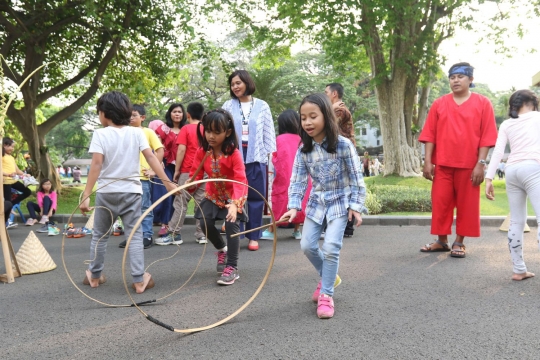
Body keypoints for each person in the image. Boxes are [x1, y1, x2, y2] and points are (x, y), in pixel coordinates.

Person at [79, 91, 178, 293]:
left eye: (99, 112)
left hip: (106, 193)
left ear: (105, 113)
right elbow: (151, 158)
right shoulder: (136, 133)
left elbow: (96, 164)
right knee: (134, 235)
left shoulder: (100, 134)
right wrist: (167, 183)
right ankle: (139, 280)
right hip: (132, 192)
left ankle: (94, 276)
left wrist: (87, 194)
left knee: (100, 235)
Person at [279, 93, 366, 319]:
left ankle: (327, 293)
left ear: (326, 116)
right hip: (317, 203)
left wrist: (356, 206)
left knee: (331, 247)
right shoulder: (303, 150)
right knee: (307, 245)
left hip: (340, 203)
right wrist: (293, 206)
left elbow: (357, 178)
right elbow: (297, 180)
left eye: (313, 117)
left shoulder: (344, 145)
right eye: (303, 117)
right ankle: (329, 276)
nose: (307, 122)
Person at [419, 62, 498, 257]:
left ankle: (459, 242)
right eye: (452, 77)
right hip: (443, 165)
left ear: (471, 80)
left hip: (470, 166)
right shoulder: (439, 103)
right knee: (440, 203)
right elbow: (430, 135)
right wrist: (428, 161)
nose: (455, 80)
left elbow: (487, 137)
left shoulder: (483, 103)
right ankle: (442, 240)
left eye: (460, 77)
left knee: (467, 205)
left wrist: (481, 164)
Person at [185, 109, 248, 285]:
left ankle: (232, 267)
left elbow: (240, 178)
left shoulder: (233, 152)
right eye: (208, 131)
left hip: (233, 196)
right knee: (204, 223)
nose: (211, 136)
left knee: (231, 223)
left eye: (216, 132)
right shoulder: (202, 152)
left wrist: (235, 204)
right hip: (213, 195)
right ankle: (222, 249)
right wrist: (185, 189)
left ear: (227, 133)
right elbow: (195, 177)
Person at [485, 89, 540, 281]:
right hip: (534, 168)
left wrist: (489, 178)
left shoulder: (507, 124)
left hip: (512, 171)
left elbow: (498, 152)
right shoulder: (537, 117)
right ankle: (520, 270)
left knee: (516, 221)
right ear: (533, 103)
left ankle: (519, 270)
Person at [222, 70, 276, 251]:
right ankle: (235, 236)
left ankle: (253, 236)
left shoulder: (263, 106)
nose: (235, 87)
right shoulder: (228, 105)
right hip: (233, 156)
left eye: (238, 83)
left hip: (256, 156)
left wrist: (269, 157)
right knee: (234, 196)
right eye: (232, 84)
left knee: (255, 197)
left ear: (247, 82)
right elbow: (222, 130)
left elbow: (268, 132)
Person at [157, 102, 207, 245]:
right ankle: (201, 234)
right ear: (203, 115)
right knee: (201, 203)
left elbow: (181, 150)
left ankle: (174, 233)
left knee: (180, 202)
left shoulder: (186, 129)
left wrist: (177, 171)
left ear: (188, 115)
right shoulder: (206, 129)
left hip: (188, 171)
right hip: (204, 172)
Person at [118, 104, 164, 249]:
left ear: (142, 118)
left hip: (142, 178)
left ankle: (147, 235)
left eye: (134, 115)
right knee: (127, 209)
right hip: (126, 177)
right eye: (129, 115)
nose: (131, 118)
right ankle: (131, 236)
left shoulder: (148, 132)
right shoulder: (122, 131)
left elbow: (160, 150)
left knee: (144, 207)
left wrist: (153, 170)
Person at [261, 110, 309, 240]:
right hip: (301, 177)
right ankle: (297, 231)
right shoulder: (302, 139)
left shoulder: (278, 139)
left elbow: (273, 158)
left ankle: (271, 230)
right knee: (300, 201)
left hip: (283, 176)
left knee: (279, 201)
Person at [152, 104, 186, 237]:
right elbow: (158, 147)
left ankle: (173, 224)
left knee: (177, 195)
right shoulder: (163, 129)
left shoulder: (186, 129)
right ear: (170, 114)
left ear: (184, 114)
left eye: (179, 112)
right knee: (165, 193)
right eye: (174, 111)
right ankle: (164, 224)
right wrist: (158, 162)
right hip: (165, 165)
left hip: (182, 166)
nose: (177, 114)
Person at [2, 137, 32, 207]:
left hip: (13, 181)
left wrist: (25, 174)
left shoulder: (11, 157)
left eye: (13, 147)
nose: (12, 149)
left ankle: (11, 205)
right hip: (5, 182)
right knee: (7, 201)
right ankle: (7, 213)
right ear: (4, 145)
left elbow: (17, 170)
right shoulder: (1, 156)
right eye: (11, 147)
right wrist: (8, 174)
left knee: (27, 192)